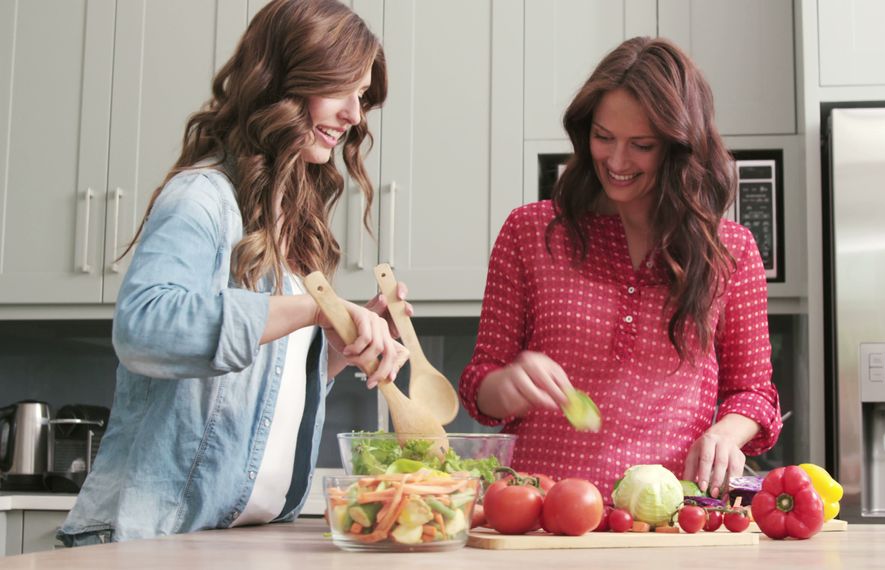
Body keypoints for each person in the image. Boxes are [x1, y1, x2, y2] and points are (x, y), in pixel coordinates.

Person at [59, 0, 407, 545]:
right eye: (341, 89)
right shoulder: (201, 198)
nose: (354, 115)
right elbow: (143, 327)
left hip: (236, 537)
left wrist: (336, 347)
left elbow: (261, 386)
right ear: (286, 80)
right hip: (152, 539)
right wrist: (314, 309)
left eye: (362, 97)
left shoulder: (285, 226)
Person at [460, 37, 781, 501]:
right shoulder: (529, 231)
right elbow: (478, 385)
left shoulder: (730, 251)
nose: (616, 161)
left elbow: (753, 394)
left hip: (667, 516)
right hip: (539, 512)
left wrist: (727, 434)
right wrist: (504, 385)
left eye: (642, 145)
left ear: (679, 147)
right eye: (603, 137)